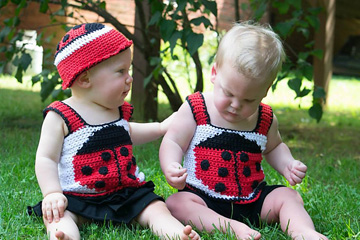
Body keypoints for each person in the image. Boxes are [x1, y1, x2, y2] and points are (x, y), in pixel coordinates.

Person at [28, 23, 200, 240]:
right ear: (85, 78)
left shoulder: (117, 111)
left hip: (125, 193)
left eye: (128, 70)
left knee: (155, 207)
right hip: (78, 196)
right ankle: (64, 235)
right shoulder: (61, 115)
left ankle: (174, 232)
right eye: (121, 71)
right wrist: (52, 192)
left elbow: (127, 133)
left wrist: (161, 127)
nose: (129, 78)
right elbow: (46, 158)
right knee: (57, 215)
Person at [159, 22, 328, 240]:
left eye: (249, 99)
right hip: (203, 198)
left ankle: (303, 231)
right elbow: (173, 141)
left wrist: (287, 163)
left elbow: (275, 147)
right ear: (214, 73)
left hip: (253, 198)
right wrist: (171, 166)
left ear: (265, 92)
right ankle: (230, 227)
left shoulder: (265, 118)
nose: (236, 105)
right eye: (228, 93)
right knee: (175, 204)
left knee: (288, 196)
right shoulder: (196, 108)